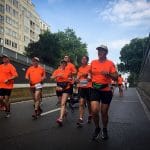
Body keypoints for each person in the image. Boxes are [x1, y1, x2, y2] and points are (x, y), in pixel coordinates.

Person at [90, 45, 118, 140]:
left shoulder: (110, 63)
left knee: (104, 112)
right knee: (94, 110)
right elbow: (89, 73)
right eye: (98, 51)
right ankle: (97, 128)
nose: (99, 52)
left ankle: (105, 129)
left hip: (106, 90)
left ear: (106, 52)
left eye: (101, 51)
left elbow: (116, 77)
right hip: (95, 89)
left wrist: (109, 74)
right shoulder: (93, 62)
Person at [50, 60, 72, 126]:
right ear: (60, 64)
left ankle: (60, 118)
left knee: (63, 103)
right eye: (62, 63)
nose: (63, 64)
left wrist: (68, 79)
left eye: (64, 63)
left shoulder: (68, 71)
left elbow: (71, 79)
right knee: (60, 103)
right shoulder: (57, 71)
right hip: (59, 88)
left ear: (66, 64)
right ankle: (65, 111)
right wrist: (57, 76)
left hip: (66, 88)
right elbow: (51, 78)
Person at [76, 56, 92, 127]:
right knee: (81, 102)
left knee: (89, 103)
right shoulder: (79, 68)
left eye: (85, 59)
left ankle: (90, 114)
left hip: (88, 87)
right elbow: (78, 77)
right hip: (81, 87)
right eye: (82, 59)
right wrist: (77, 79)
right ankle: (80, 118)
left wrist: (87, 76)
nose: (83, 60)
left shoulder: (89, 67)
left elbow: (90, 77)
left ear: (87, 60)